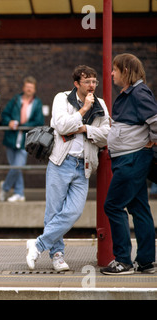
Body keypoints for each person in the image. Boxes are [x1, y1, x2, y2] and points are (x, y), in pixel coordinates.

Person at [26, 65, 110, 271]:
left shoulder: (100, 104)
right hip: (61, 162)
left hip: (84, 165)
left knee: (74, 211)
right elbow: (61, 126)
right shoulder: (61, 98)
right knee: (53, 212)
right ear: (76, 84)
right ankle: (57, 255)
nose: (92, 86)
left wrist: (84, 128)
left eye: (94, 82)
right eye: (87, 82)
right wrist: (83, 111)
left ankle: (37, 244)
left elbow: (107, 133)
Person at [101, 53, 157, 275]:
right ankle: (146, 261)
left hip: (132, 160)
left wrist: (151, 141)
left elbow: (155, 120)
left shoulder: (139, 92)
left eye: (115, 69)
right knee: (138, 207)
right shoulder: (129, 94)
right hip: (130, 158)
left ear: (126, 71)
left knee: (113, 205)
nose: (111, 73)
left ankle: (123, 261)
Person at [0, 76, 44, 202]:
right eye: (27, 87)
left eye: (31, 88)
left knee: (18, 166)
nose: (29, 90)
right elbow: (5, 115)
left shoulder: (37, 103)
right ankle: (19, 193)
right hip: (11, 138)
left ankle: (5, 187)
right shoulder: (15, 100)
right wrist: (9, 122)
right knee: (15, 167)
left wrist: (22, 126)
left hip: (26, 140)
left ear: (34, 90)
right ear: (24, 88)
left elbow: (38, 121)